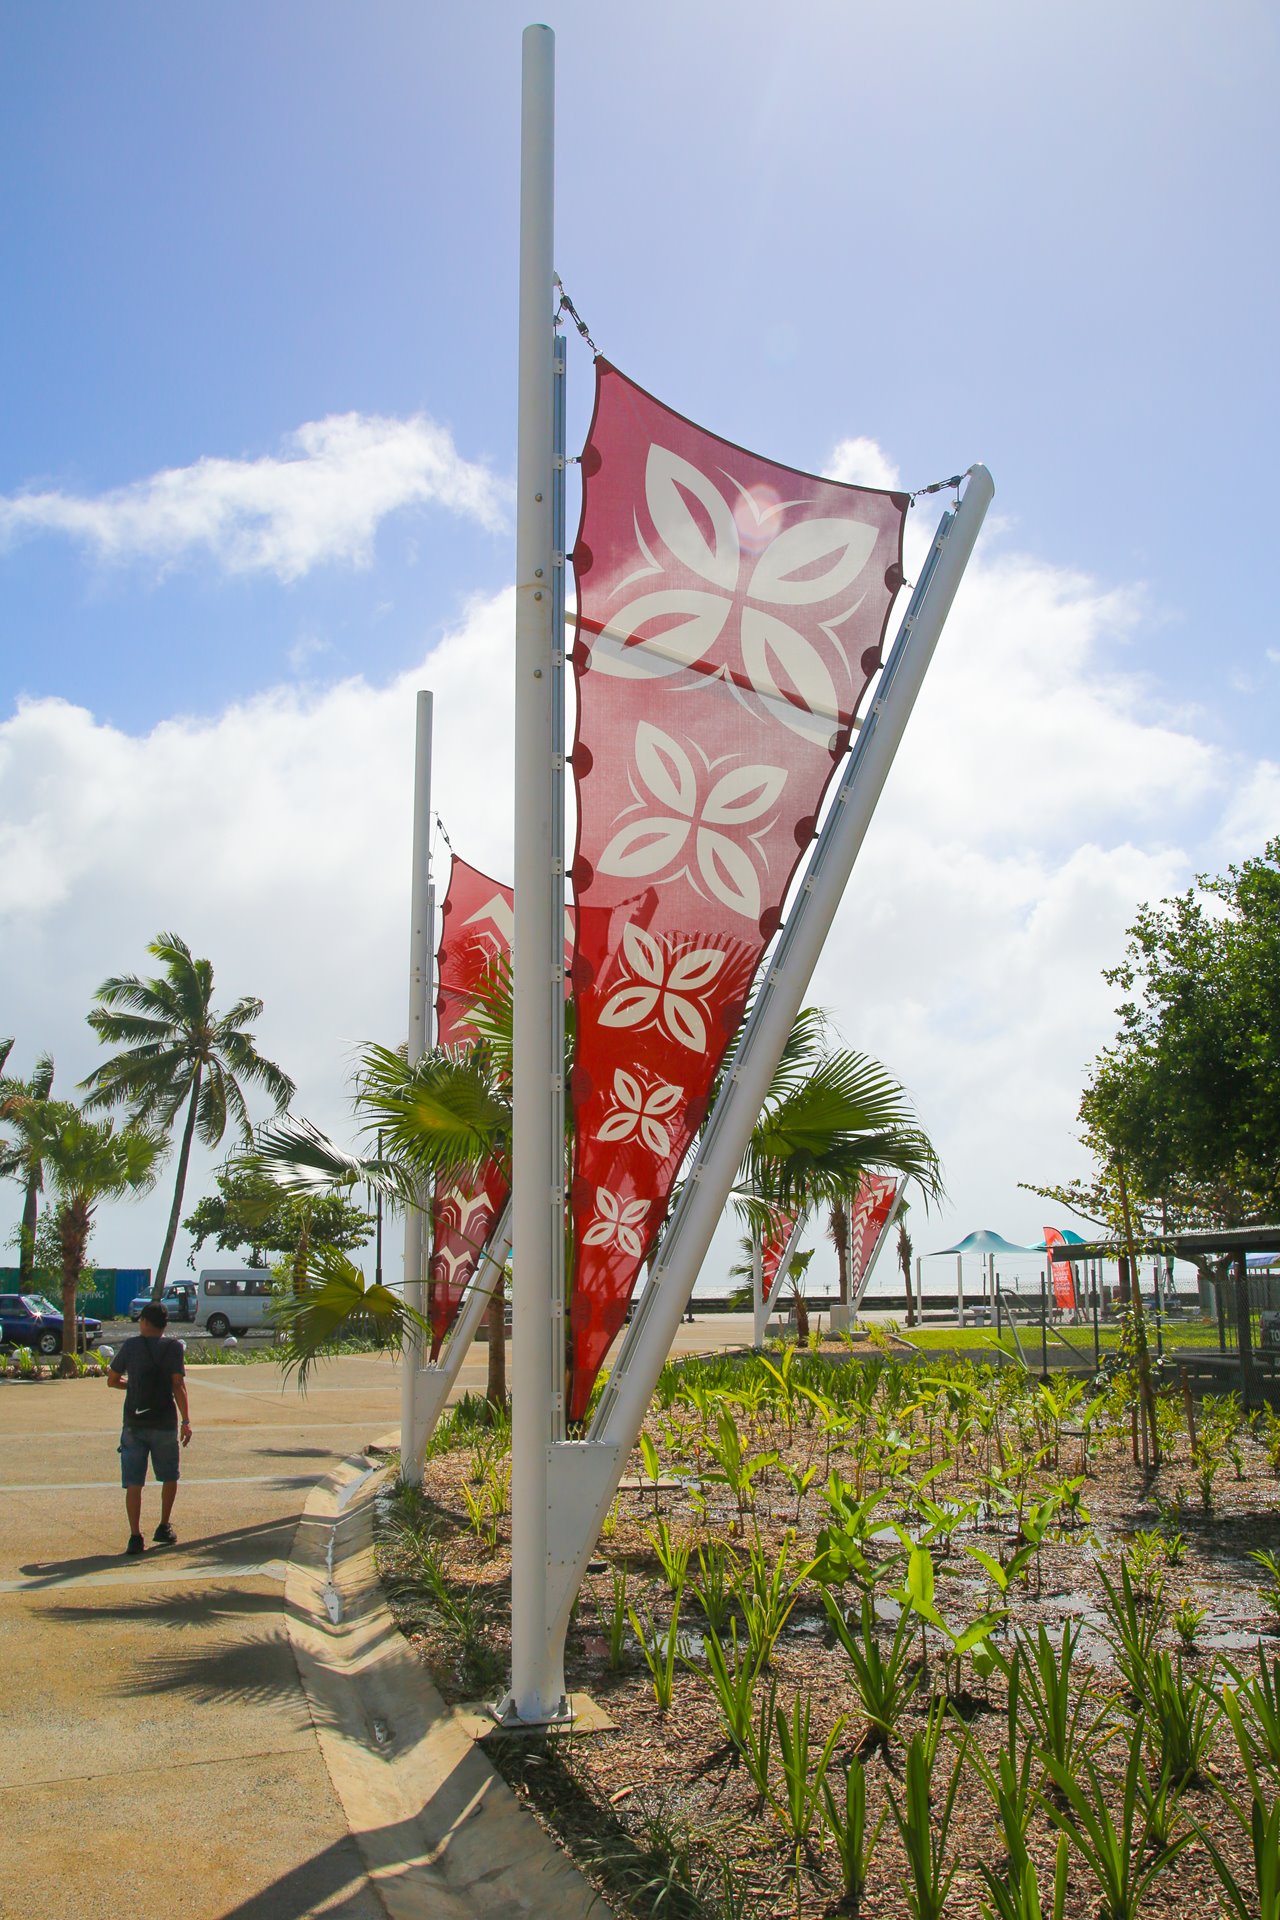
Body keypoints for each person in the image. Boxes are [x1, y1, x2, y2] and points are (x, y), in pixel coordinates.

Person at [106, 1301, 192, 1555]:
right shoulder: (173, 1347)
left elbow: (112, 1380)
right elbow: (178, 1385)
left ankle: (135, 1536)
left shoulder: (131, 1346)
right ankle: (164, 1526)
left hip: (134, 1423)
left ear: (144, 1321)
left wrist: (130, 1386)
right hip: (164, 1422)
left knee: (134, 1482)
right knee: (169, 1476)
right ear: (164, 1325)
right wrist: (186, 1421)